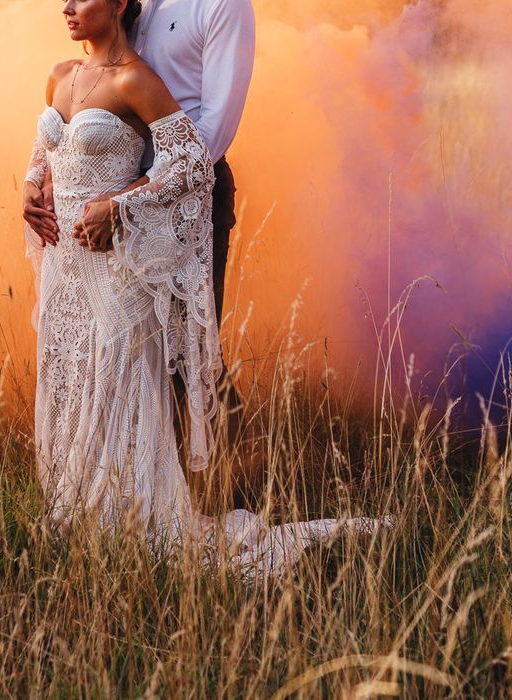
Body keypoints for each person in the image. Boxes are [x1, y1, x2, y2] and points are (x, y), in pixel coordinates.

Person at [22, 0, 390, 581]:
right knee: (96, 369)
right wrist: (33, 186)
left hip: (175, 202)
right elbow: (53, 141)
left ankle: (223, 490)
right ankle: (100, 495)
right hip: (85, 241)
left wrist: (133, 201)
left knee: (188, 354)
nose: (66, 7)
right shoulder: (93, 48)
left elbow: (207, 134)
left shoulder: (219, 9)